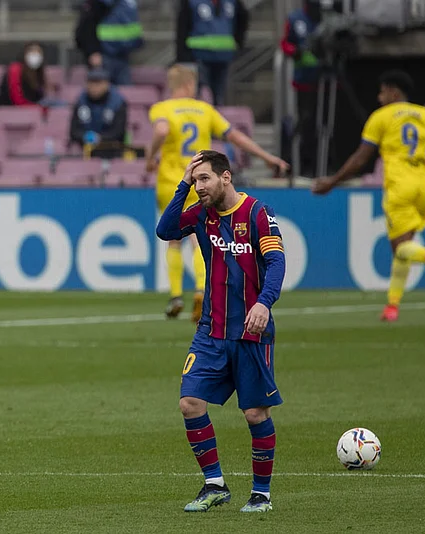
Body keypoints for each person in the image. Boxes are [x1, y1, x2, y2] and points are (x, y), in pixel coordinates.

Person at [156, 150, 286, 513]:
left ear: (225, 177)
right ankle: (214, 485)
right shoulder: (201, 213)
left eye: (204, 179)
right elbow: (165, 230)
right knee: (189, 403)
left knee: (255, 414)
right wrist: (182, 183)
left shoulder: (257, 213)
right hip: (210, 331)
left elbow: (276, 262)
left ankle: (261, 495)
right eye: (195, 180)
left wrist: (264, 303)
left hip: (250, 331)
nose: (199, 187)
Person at [146, 65, 288, 321]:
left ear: (172, 85)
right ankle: (201, 288)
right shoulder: (205, 110)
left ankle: (176, 295)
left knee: (174, 240)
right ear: (190, 84)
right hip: (205, 180)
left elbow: (162, 130)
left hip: (172, 181)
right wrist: (267, 157)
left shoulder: (162, 108)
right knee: (199, 236)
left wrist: (150, 157)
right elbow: (235, 137)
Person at [312, 70, 425, 321]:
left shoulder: (381, 117)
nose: (379, 97)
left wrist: (333, 181)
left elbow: (361, 158)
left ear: (393, 92)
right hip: (423, 184)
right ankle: (392, 306)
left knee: (401, 248)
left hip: (399, 185)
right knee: (404, 246)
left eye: (382, 92)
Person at [176, 0, 248, 106]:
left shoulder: (232, 2)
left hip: (223, 56)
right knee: (200, 96)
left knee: (218, 97)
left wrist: (238, 42)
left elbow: (243, 17)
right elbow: (182, 26)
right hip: (198, 56)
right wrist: (182, 56)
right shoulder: (192, 2)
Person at [280, 0, 322, 176]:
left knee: (322, 125)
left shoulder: (328, 17)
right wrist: (295, 51)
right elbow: (285, 44)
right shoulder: (295, 18)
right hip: (303, 82)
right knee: (306, 124)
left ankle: (323, 164)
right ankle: (302, 165)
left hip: (327, 83)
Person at [74, 0, 144, 85]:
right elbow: (86, 29)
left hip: (123, 55)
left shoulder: (127, 3)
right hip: (104, 55)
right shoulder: (98, 4)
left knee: (124, 89)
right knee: (102, 88)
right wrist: (93, 52)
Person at [69, 68, 128, 149]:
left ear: (107, 84)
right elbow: (73, 131)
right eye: (91, 83)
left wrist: (99, 138)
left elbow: (118, 132)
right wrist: (85, 136)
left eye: (98, 83)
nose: (94, 87)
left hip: (111, 148)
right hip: (84, 148)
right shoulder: (81, 100)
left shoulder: (118, 102)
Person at [0, 42, 47, 108]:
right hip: (9, 110)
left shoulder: (38, 73)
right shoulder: (15, 69)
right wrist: (37, 107)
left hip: (31, 111)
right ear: (25, 53)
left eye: (38, 52)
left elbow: (39, 98)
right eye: (32, 51)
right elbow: (17, 99)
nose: (35, 54)